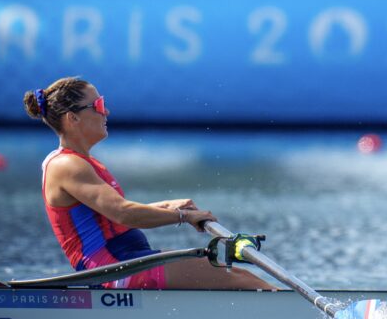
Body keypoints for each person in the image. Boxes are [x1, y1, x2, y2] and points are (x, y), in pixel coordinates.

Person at [23, 77, 273, 290]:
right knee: (241, 279)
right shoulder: (67, 165)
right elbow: (122, 214)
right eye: (98, 105)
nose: (106, 111)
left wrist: (168, 206)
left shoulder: (82, 163)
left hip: (127, 261)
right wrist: (183, 216)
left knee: (236, 277)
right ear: (72, 118)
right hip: (113, 269)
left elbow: (114, 216)